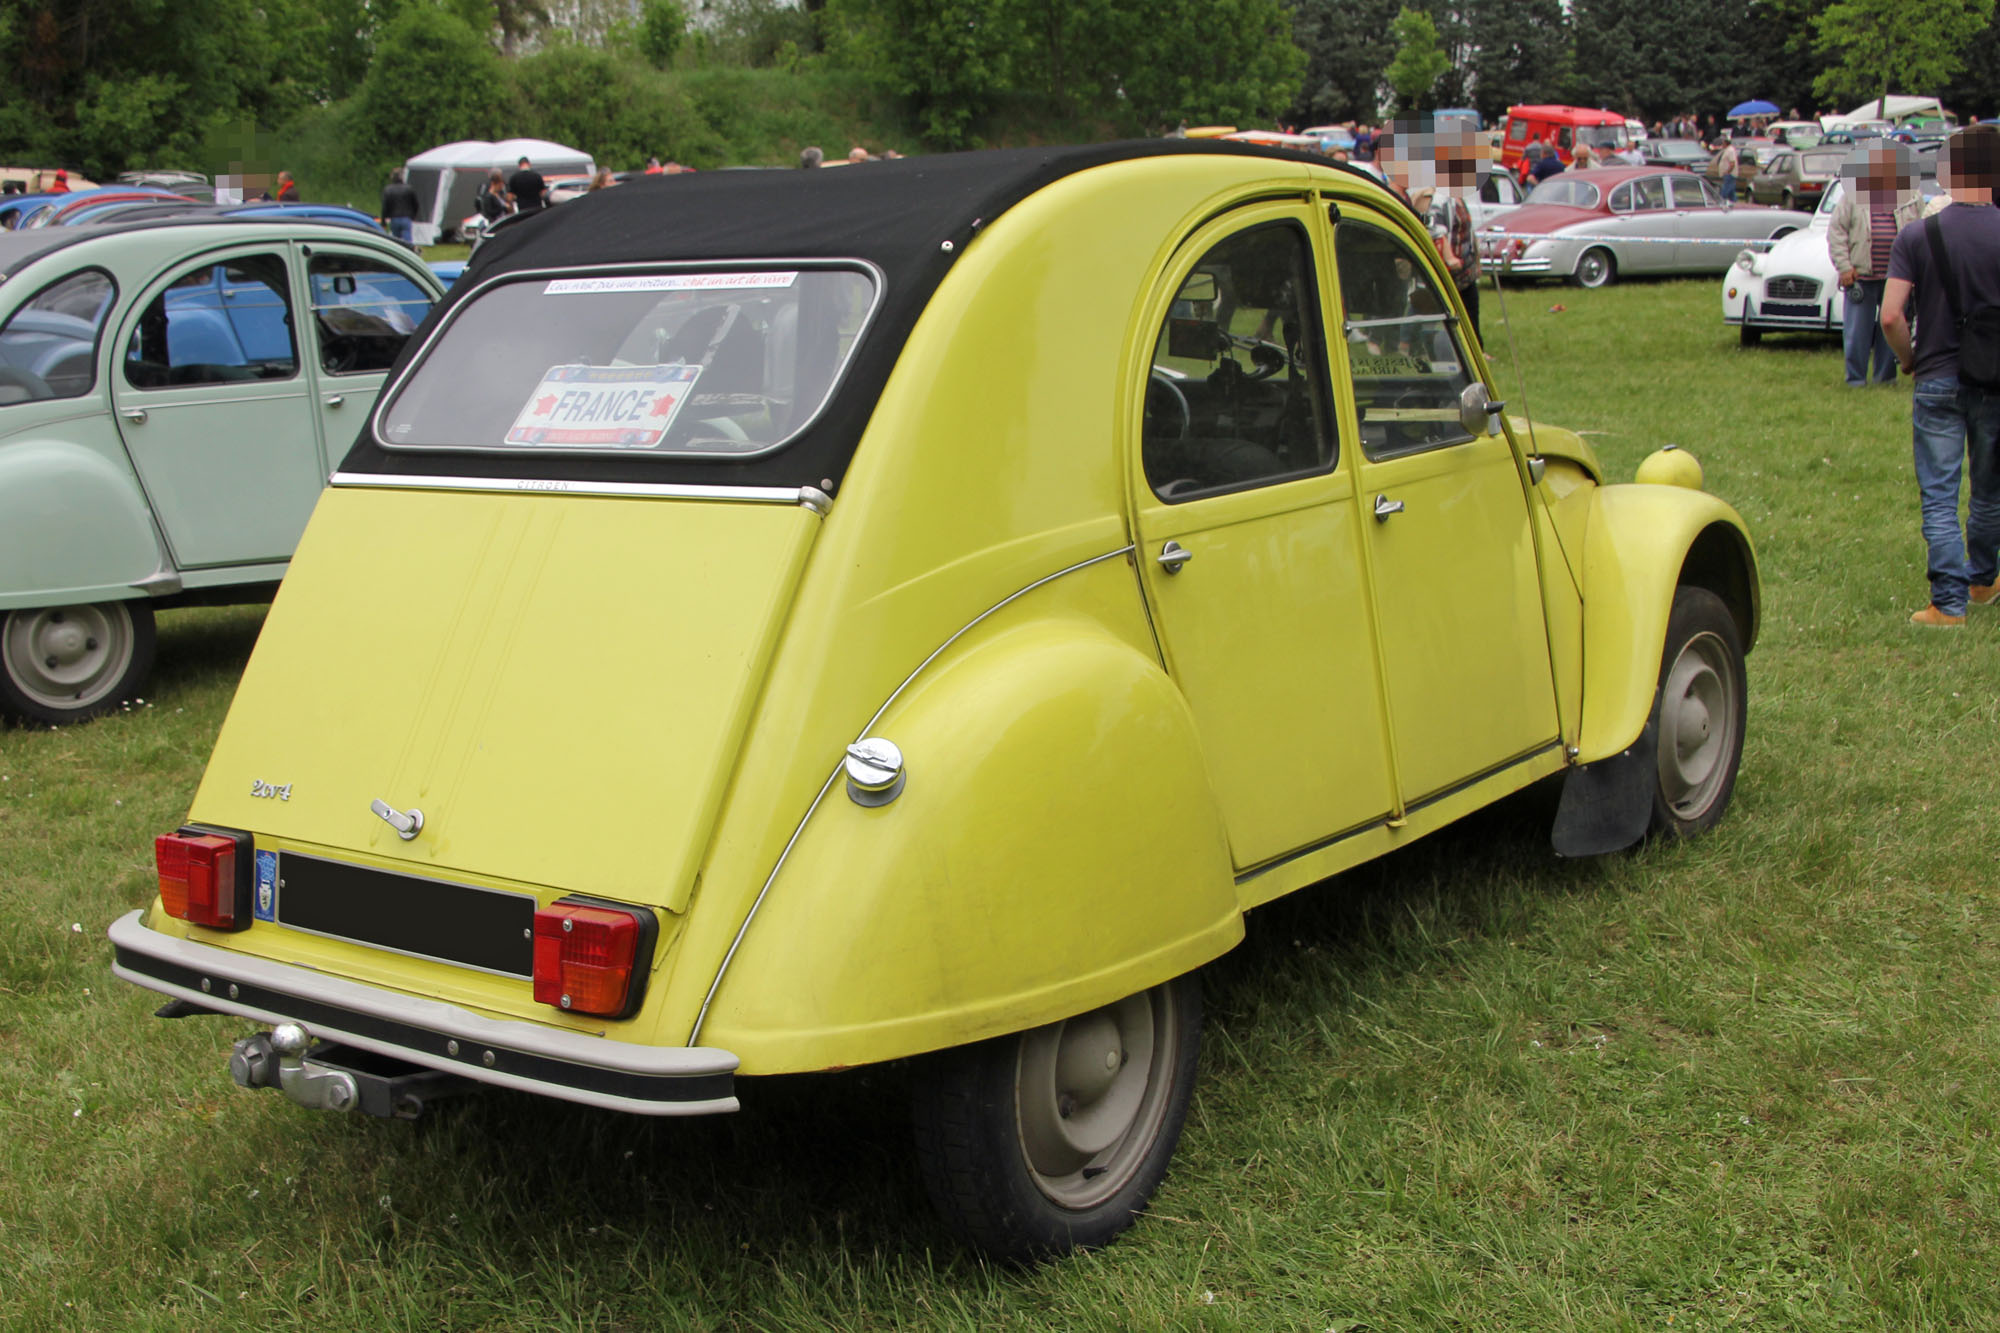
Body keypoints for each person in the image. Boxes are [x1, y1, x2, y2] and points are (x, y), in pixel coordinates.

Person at [1880, 125, 2000, 627]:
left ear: (1949, 172)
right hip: (1994, 379)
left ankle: (1947, 605)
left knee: (1940, 493)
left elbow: (1889, 315)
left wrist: (1908, 359)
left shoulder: (1917, 234)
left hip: (1935, 377)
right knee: (1990, 490)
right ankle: (1983, 581)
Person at [1828, 143, 1921, 386]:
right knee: (1857, 332)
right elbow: (1836, 233)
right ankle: (1856, 379)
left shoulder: (1912, 196)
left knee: (1890, 327)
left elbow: (1924, 230)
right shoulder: (1852, 197)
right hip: (1861, 277)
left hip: (1898, 278)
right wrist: (1844, 267)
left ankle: (1885, 378)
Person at [380, 166, 419, 245]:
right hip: (406, 218)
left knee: (396, 241)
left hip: (394, 218)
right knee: (407, 239)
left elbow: (385, 206)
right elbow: (416, 204)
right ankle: (409, 252)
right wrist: (413, 215)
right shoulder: (409, 188)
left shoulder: (388, 189)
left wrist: (383, 221)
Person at [1712, 137, 1740, 204]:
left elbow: (1732, 163)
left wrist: (1728, 172)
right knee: (1731, 193)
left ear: (1726, 143)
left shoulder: (1730, 150)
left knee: (1725, 190)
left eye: (1723, 143)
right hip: (1728, 174)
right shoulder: (1727, 150)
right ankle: (1735, 202)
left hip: (1730, 174)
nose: (1722, 144)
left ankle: (1720, 201)